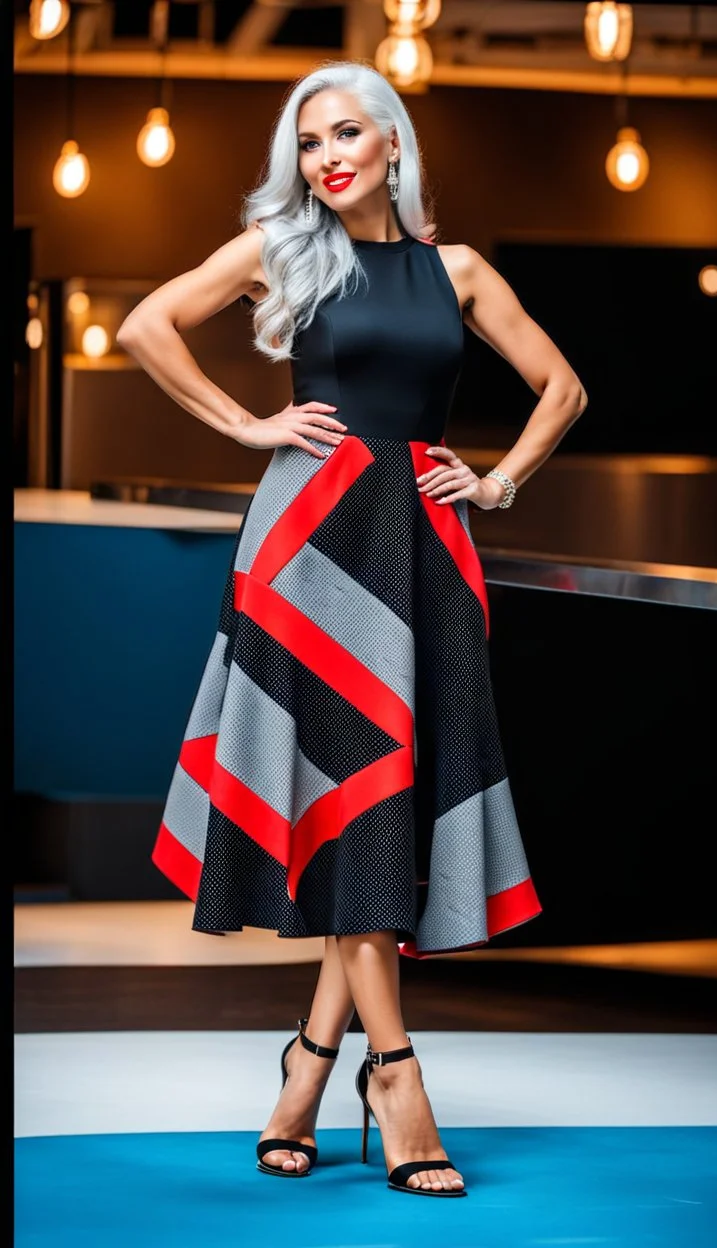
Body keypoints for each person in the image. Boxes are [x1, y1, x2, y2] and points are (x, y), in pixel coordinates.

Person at [117, 58, 587, 1199]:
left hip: (423, 548)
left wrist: (499, 483)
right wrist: (246, 422)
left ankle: (305, 1068)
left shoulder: (455, 269)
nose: (325, 158)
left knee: (373, 802)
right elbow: (146, 325)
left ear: (389, 143)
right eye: (308, 143)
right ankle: (396, 1073)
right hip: (309, 547)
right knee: (357, 795)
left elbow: (561, 388)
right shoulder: (286, 251)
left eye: (343, 137)